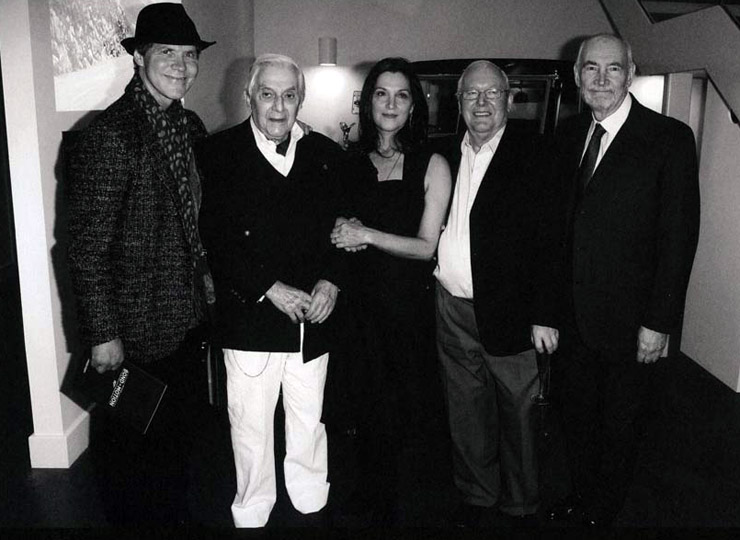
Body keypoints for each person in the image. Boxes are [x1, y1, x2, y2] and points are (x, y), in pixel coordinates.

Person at [66, 3, 216, 525]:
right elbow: (85, 246)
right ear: (138, 58)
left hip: (185, 317)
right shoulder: (112, 134)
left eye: (190, 54)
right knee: (127, 454)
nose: (181, 64)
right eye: (166, 52)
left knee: (174, 444)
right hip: (131, 326)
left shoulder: (190, 126)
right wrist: (103, 332)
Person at [546, 34, 700, 526]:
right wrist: (545, 312)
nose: (601, 79)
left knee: (621, 426)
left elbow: (679, 240)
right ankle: (581, 496)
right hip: (572, 319)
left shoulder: (669, 139)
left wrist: (660, 322)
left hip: (631, 323)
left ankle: (603, 512)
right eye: (591, 69)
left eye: (613, 69)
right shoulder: (568, 134)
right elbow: (557, 233)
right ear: (576, 75)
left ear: (630, 74)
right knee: (576, 420)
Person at [196, 54, 347, 528]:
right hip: (250, 319)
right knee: (251, 426)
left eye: (289, 95)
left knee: (308, 421)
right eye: (267, 94)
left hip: (311, 318)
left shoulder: (326, 154)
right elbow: (212, 237)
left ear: (300, 98)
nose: (278, 107)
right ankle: (253, 511)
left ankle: (309, 502)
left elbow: (344, 229)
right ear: (249, 97)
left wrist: (332, 280)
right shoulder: (216, 154)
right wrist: (268, 287)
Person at [433, 60, 559, 527]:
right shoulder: (444, 151)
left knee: (519, 413)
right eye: (472, 94)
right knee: (465, 410)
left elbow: (552, 241)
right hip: (451, 305)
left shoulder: (536, 152)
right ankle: (477, 496)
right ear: (458, 101)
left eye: (492, 94)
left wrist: (545, 314)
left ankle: (522, 505)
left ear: (509, 100)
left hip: (513, 309)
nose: (482, 103)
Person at [329, 57, 451, 524]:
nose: (391, 103)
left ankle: (404, 510)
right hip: (356, 308)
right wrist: (339, 228)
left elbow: (425, 247)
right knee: (363, 411)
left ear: (414, 105)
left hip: (404, 309)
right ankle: (370, 502)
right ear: (368, 101)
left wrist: (368, 234)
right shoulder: (350, 160)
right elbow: (333, 224)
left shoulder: (432, 162)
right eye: (382, 93)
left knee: (403, 414)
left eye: (402, 95)